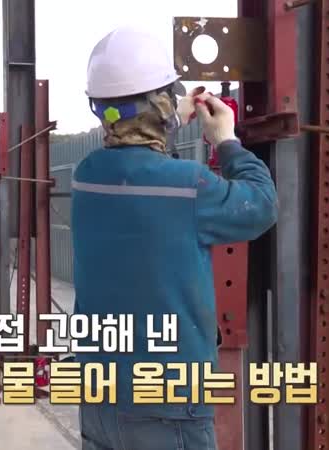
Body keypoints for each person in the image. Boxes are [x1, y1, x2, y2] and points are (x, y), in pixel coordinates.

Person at [72, 27, 278, 450]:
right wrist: (227, 141)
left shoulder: (86, 176)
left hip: (100, 396)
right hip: (169, 404)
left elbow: (142, 171)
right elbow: (261, 205)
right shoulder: (189, 186)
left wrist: (164, 118)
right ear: (161, 104)